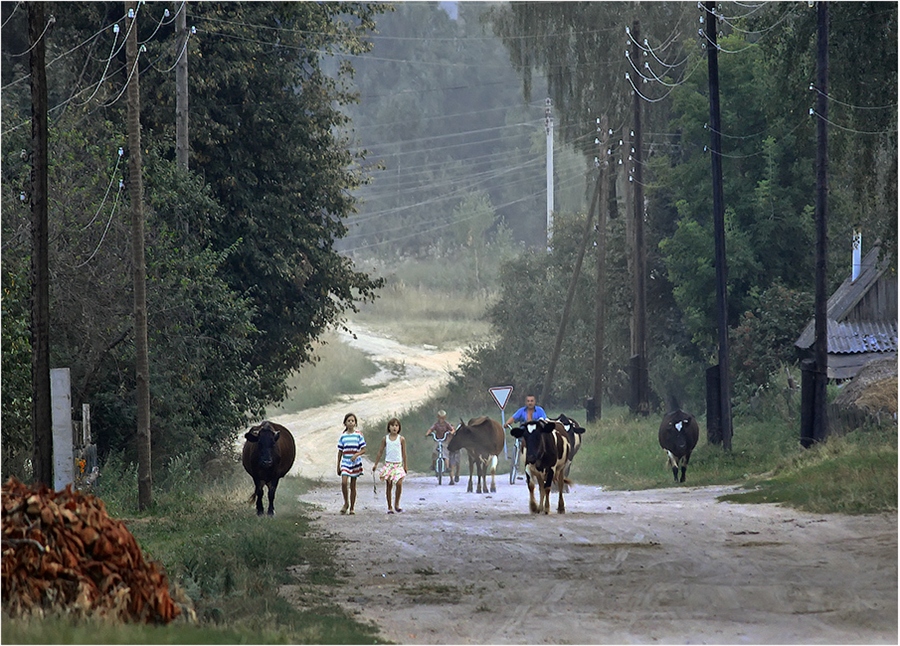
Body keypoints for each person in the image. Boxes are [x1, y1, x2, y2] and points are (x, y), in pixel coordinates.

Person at [371, 417, 408, 513]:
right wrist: (376, 464)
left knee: (399, 484)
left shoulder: (401, 439)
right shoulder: (385, 439)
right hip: (389, 465)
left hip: (398, 465)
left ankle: (397, 504)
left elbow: (404, 453)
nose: (394, 428)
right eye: (392, 425)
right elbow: (380, 452)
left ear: (399, 427)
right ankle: (389, 506)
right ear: (389, 427)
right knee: (389, 485)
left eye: (396, 425)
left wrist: (405, 465)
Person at [336, 412, 366, 515]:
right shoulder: (343, 437)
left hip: (355, 463)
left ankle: (352, 507)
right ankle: (346, 503)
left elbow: (363, 450)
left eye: (352, 421)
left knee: (353, 485)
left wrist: (356, 455)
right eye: (348, 421)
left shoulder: (358, 436)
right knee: (344, 482)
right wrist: (338, 465)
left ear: (355, 423)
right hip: (345, 462)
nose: (350, 422)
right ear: (345, 423)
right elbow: (340, 451)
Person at [425, 410, 459, 484]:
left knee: (445, 454)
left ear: (445, 418)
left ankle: (447, 467)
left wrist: (451, 432)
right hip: (437, 440)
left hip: (444, 441)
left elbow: (452, 429)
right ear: (438, 417)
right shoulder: (436, 425)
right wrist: (428, 433)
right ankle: (433, 465)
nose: (441, 420)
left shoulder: (447, 424)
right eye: (440, 418)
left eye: (443, 418)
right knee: (434, 452)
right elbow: (431, 429)